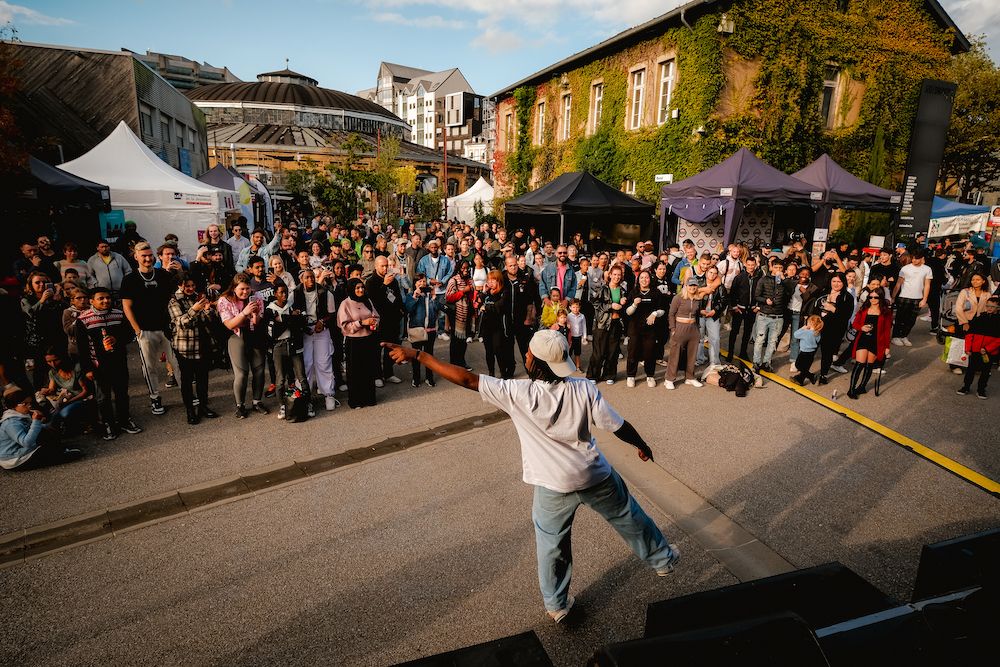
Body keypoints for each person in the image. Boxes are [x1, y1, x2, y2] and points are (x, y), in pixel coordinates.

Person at [382, 330, 679, 624]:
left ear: (536, 363)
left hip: (553, 485)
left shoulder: (518, 393)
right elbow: (617, 425)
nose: (524, 355)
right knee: (629, 515)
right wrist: (641, 444)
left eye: (527, 354)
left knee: (552, 545)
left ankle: (558, 606)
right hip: (594, 475)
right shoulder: (583, 387)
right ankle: (662, 560)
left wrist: (419, 354)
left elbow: (466, 378)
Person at [75, 286, 143, 440]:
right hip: (98, 365)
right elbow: (82, 347)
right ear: (92, 301)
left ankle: (124, 420)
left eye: (108, 298)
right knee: (103, 396)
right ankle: (108, 423)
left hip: (118, 361)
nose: (106, 301)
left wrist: (117, 339)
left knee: (122, 393)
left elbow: (129, 334)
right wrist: (87, 369)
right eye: (101, 298)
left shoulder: (118, 314)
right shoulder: (83, 319)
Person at [121, 242, 178, 416]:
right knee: (150, 367)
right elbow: (127, 307)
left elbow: (174, 296)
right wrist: (137, 330)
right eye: (143, 256)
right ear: (136, 257)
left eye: (149, 255)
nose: (147, 259)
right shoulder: (130, 279)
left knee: (177, 363)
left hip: (167, 328)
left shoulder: (162, 275)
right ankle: (155, 398)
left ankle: (188, 395)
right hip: (145, 330)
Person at [167, 275, 220, 425]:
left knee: (203, 378)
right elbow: (181, 323)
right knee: (187, 380)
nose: (191, 289)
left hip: (203, 344)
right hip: (185, 347)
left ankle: (203, 406)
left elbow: (208, 320)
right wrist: (194, 309)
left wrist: (209, 311)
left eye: (193, 285)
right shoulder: (174, 301)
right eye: (187, 286)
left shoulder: (199, 297)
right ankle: (190, 410)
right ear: (180, 285)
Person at [217, 274, 268, 419]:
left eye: (247, 289)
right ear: (234, 288)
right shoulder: (224, 300)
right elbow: (230, 324)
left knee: (259, 371)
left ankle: (257, 401)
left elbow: (257, 322)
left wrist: (256, 314)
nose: (245, 292)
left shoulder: (256, 298)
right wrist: (244, 313)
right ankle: (240, 405)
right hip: (236, 336)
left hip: (254, 334)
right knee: (242, 373)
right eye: (242, 289)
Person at [0, 388, 83, 470]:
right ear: (13, 406)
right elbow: (27, 443)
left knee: (46, 432)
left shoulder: (20, 414)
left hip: (20, 451)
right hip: (13, 459)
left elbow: (31, 430)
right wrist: (36, 422)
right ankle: (61, 455)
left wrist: (45, 425)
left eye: (29, 402)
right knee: (50, 451)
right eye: (25, 403)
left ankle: (58, 451)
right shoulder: (11, 423)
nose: (29, 405)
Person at [264, 282, 312, 418]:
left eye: (286, 292)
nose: (284, 295)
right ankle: (283, 406)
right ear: (275, 294)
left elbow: (301, 323)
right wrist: (292, 319)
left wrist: (283, 319)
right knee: (280, 379)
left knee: (301, 376)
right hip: (278, 346)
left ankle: (307, 403)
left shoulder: (291, 307)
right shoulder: (270, 310)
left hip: (293, 344)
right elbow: (272, 332)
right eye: (281, 292)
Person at [294, 269, 338, 411]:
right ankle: (304, 396)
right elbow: (291, 311)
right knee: (306, 364)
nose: (310, 280)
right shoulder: (295, 293)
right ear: (302, 280)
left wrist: (322, 322)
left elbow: (331, 313)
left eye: (312, 277)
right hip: (304, 332)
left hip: (321, 331)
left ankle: (328, 394)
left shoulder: (325, 292)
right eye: (307, 278)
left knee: (323, 362)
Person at [336, 278, 380, 409]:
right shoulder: (346, 304)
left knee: (368, 370)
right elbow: (343, 326)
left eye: (362, 287)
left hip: (368, 340)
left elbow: (376, 316)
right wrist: (361, 323)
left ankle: (369, 398)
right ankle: (356, 400)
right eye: (357, 288)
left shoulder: (367, 300)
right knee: (355, 372)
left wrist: (374, 323)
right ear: (351, 289)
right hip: (354, 342)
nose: (360, 290)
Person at [21, 271, 67, 390]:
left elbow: (64, 312)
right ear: (31, 285)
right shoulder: (26, 299)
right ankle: (39, 394)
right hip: (38, 340)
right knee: (40, 369)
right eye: (37, 282)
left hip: (55, 337)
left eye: (44, 282)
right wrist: (42, 300)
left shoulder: (54, 297)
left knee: (61, 366)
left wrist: (59, 299)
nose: (41, 285)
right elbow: (30, 313)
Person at [366, 256, 405, 386]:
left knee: (390, 347)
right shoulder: (370, 282)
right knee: (377, 349)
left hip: (392, 318)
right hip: (379, 320)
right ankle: (377, 375)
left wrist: (401, 311)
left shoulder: (392, 280)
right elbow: (373, 300)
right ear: (376, 266)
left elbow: (398, 296)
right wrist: (384, 285)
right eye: (382, 266)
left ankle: (389, 373)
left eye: (386, 266)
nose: (385, 268)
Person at [845, 292, 893, 399]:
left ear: (880, 298)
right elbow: (855, 324)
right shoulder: (863, 310)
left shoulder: (886, 312)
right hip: (863, 339)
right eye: (870, 297)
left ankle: (862, 387)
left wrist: (886, 347)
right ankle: (851, 389)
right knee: (859, 364)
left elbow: (886, 331)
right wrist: (861, 328)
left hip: (876, 342)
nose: (873, 299)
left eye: (876, 297)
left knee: (869, 365)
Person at [587, 265, 627, 385]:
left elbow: (624, 309)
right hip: (602, 323)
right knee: (598, 352)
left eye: (619, 275)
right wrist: (611, 306)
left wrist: (623, 303)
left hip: (616, 323)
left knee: (613, 351)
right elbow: (595, 304)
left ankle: (609, 374)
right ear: (610, 275)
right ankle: (593, 375)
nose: (616, 277)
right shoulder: (602, 288)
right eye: (614, 274)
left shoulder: (622, 290)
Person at [625, 270, 665, 387]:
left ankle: (650, 376)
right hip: (635, 328)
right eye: (642, 277)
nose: (644, 280)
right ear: (638, 280)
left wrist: (655, 314)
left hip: (650, 329)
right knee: (633, 352)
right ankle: (631, 376)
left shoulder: (656, 293)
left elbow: (662, 310)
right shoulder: (633, 292)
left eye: (646, 277)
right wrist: (634, 304)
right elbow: (627, 312)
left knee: (650, 353)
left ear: (650, 279)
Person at [39, 349, 92, 435]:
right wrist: (45, 391)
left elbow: (86, 391)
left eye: (55, 360)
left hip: (83, 398)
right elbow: (51, 389)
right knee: (53, 411)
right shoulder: (52, 372)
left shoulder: (76, 369)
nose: (53, 364)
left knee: (64, 413)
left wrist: (69, 402)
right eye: (49, 362)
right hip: (68, 399)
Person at [664, 278, 704, 390]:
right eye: (690, 285)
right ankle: (669, 379)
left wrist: (698, 330)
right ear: (686, 286)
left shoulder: (698, 299)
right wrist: (673, 329)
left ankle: (690, 377)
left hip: (693, 329)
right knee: (675, 354)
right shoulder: (678, 298)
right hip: (680, 328)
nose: (692, 287)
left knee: (692, 355)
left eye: (695, 285)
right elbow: (671, 314)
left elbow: (697, 315)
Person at [815, 273, 855, 384]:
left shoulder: (847, 297)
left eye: (839, 282)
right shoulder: (824, 292)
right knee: (810, 349)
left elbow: (846, 315)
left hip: (834, 329)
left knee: (827, 353)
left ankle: (823, 374)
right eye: (834, 281)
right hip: (818, 326)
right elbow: (814, 306)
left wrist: (833, 309)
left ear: (844, 283)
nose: (836, 284)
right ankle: (803, 373)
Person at [751, 259, 789, 373]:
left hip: (778, 317)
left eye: (780, 268)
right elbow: (756, 296)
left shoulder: (785, 282)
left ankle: (767, 362)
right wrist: (765, 300)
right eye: (776, 267)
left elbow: (789, 294)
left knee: (772, 341)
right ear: (771, 267)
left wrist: (784, 281)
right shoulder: (763, 280)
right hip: (764, 315)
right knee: (760, 340)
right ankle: (756, 362)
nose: (778, 270)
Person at [403, 274, 440, 387]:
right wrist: (415, 296)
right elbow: (407, 309)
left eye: (424, 281)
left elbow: (437, 310)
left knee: (429, 355)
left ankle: (429, 377)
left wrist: (434, 298)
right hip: (417, 330)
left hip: (430, 330)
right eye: (419, 281)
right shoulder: (410, 295)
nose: (422, 284)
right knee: (416, 355)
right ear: (415, 284)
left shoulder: (430, 296)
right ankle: (416, 378)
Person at [958, 296, 998, 399]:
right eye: (988, 306)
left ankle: (981, 390)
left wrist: (988, 349)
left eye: (992, 306)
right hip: (975, 350)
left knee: (985, 372)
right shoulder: (979, 318)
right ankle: (966, 386)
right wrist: (968, 348)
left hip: (989, 352)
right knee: (970, 369)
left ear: (998, 307)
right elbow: (969, 334)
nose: (989, 308)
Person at [891, 248, 932, 346]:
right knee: (900, 318)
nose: (914, 260)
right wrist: (893, 297)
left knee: (912, 319)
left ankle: (904, 336)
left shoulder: (927, 269)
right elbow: (898, 283)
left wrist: (924, 299)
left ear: (921, 258)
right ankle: (895, 337)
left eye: (917, 258)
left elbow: (927, 285)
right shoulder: (905, 268)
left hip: (918, 298)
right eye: (912, 258)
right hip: (904, 297)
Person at [478, 269, 514, 379]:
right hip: (486, 326)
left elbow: (500, 306)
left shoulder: (504, 292)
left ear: (498, 281)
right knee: (489, 351)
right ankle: (491, 373)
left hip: (499, 327)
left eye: (493, 280)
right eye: (489, 280)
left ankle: (503, 374)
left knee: (498, 350)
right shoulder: (488, 293)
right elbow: (479, 303)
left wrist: (487, 307)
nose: (490, 283)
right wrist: (484, 292)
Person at [727, 256, 761, 362]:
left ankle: (743, 352)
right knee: (734, 332)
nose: (751, 267)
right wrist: (735, 307)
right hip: (739, 309)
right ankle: (730, 352)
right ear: (745, 264)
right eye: (749, 265)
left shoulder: (759, 277)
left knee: (747, 332)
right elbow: (732, 293)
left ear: (755, 265)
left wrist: (758, 306)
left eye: (753, 265)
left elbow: (762, 291)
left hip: (752, 310)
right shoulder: (739, 277)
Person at [445, 260, 476, 369]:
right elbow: (448, 297)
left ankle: (461, 361)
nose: (466, 270)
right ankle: (454, 363)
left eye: (467, 268)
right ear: (458, 268)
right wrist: (463, 291)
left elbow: (474, 295)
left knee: (463, 340)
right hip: (457, 314)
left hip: (468, 313)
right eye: (463, 268)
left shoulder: (470, 280)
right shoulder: (453, 280)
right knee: (456, 340)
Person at [791, 315, 823, 386]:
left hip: (804, 352)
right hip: (811, 353)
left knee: (798, 365)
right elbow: (818, 341)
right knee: (805, 367)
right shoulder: (817, 333)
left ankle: (811, 376)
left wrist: (802, 328)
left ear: (810, 323)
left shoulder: (805, 332)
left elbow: (795, 334)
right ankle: (800, 380)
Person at [567, 300, 587, 370]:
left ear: (580, 307)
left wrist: (584, 336)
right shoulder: (568, 316)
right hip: (570, 337)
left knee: (577, 352)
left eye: (577, 307)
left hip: (578, 337)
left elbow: (584, 326)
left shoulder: (582, 316)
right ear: (570, 307)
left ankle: (578, 366)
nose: (575, 309)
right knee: (569, 352)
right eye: (573, 307)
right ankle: (568, 366)